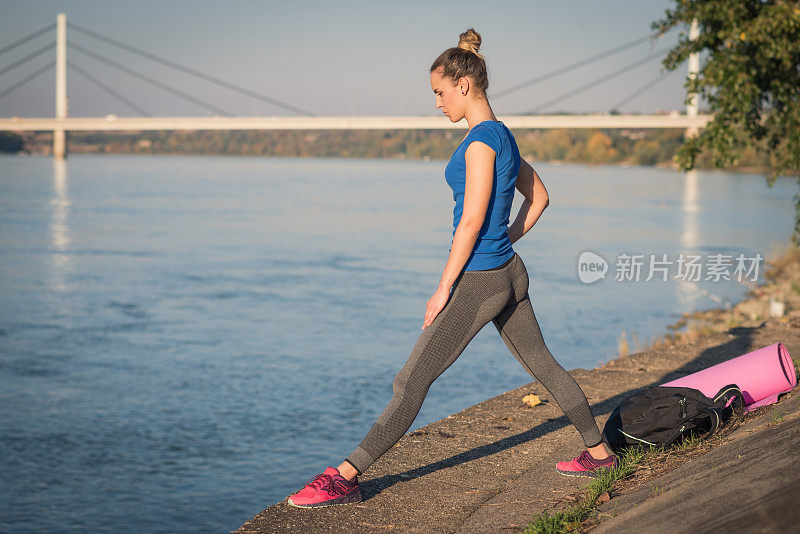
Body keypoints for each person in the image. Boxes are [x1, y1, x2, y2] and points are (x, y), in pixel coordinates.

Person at [286, 28, 617, 509]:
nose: (437, 103)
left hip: (480, 280)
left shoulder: (482, 143)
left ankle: (345, 476)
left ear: (464, 85)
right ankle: (599, 452)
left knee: (411, 381)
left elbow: (471, 222)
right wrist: (503, 242)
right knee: (543, 364)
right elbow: (539, 198)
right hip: (508, 270)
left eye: (440, 92)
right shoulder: (502, 135)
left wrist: (444, 288)